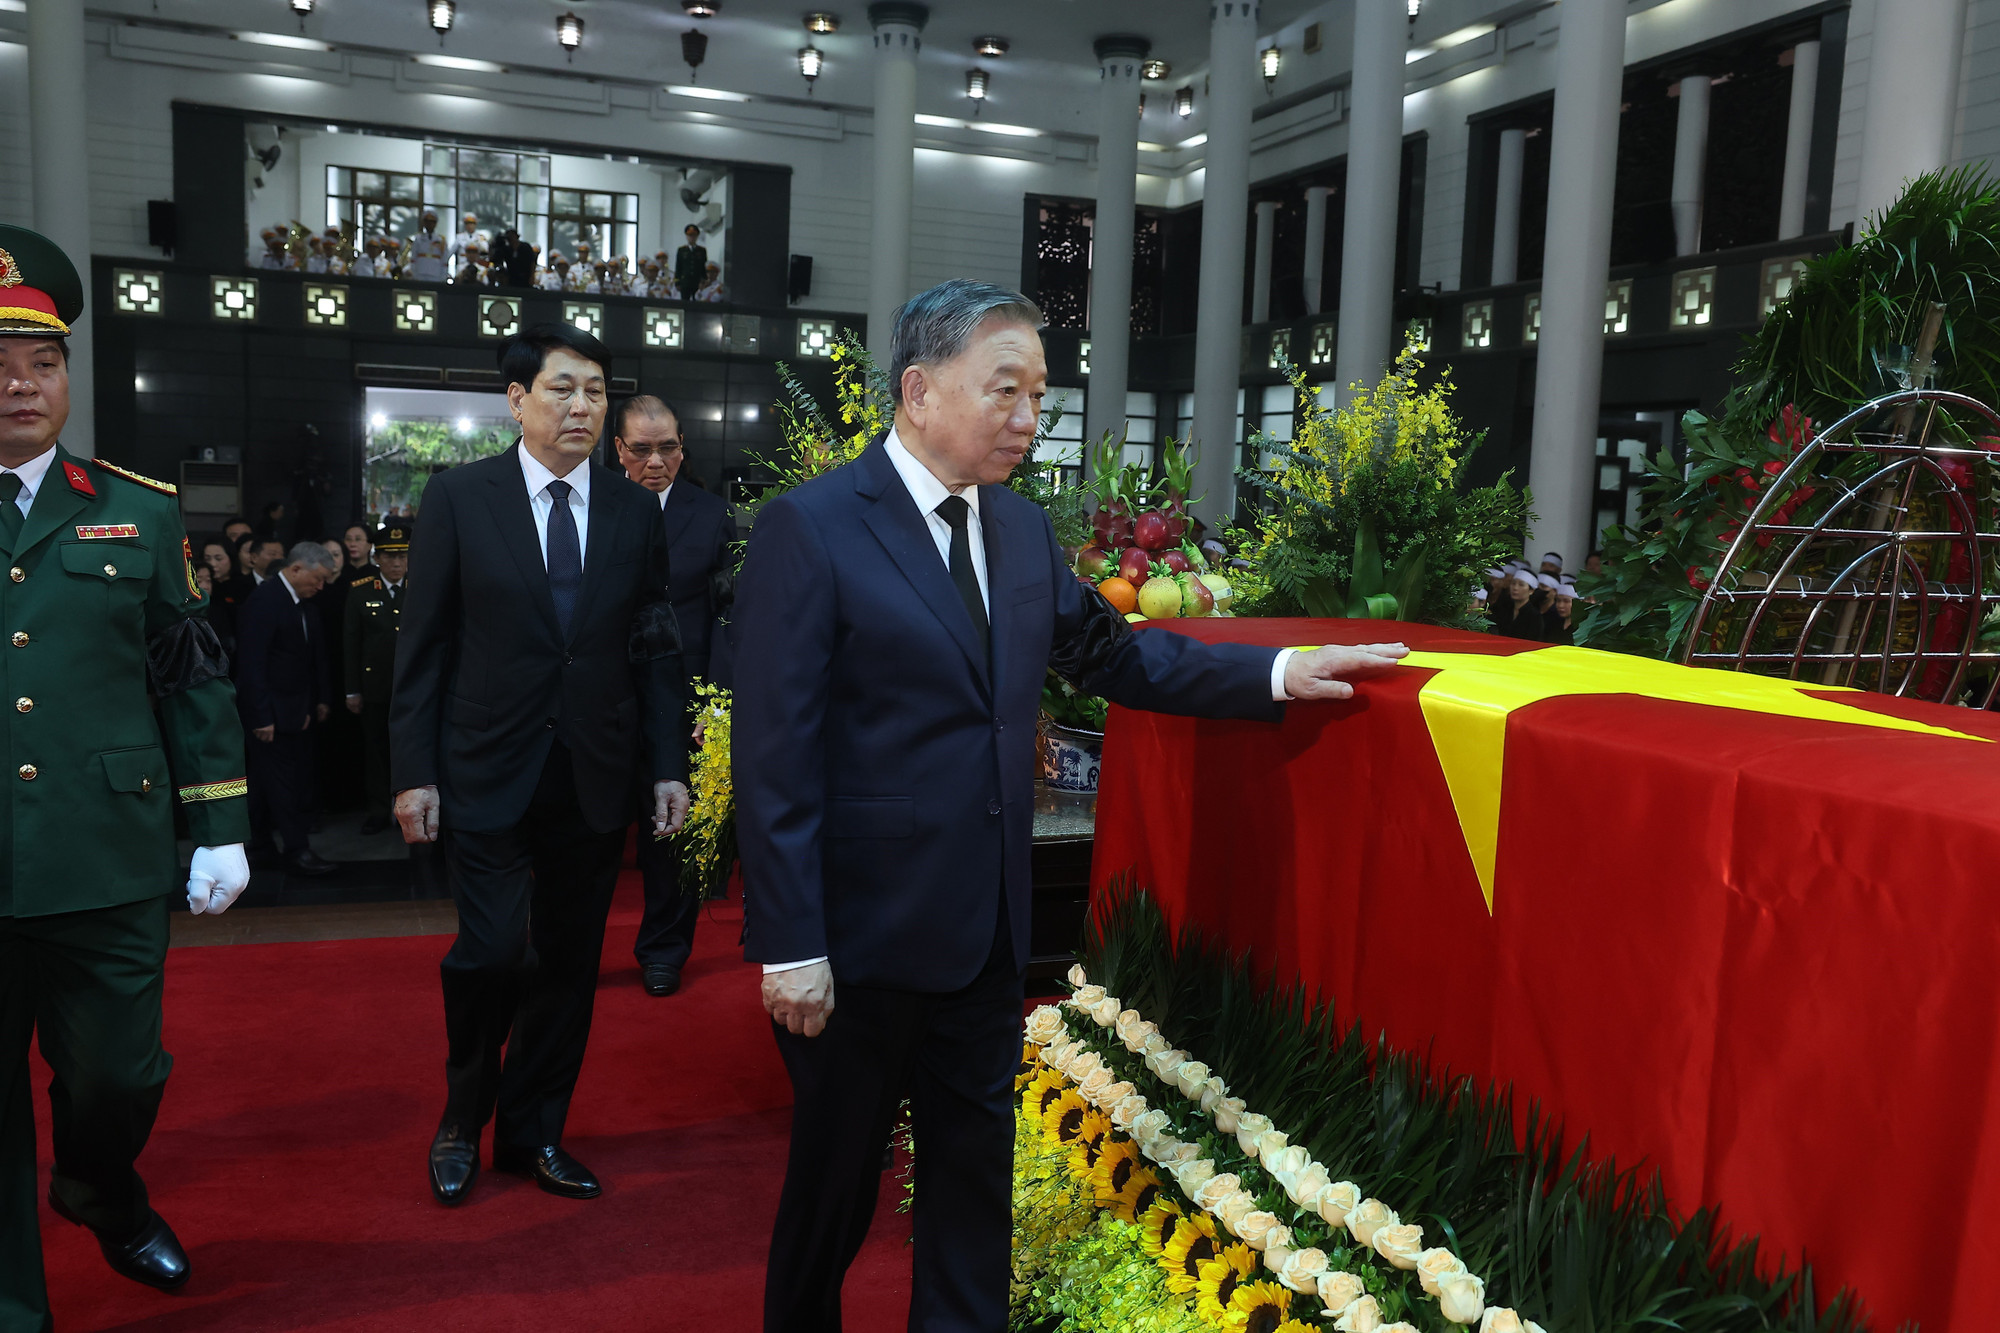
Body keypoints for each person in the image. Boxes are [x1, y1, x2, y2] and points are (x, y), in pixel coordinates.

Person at [733, 280, 1408, 1331]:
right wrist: (790, 942)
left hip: (985, 928)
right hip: (857, 940)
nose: (1028, 417)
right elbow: (774, 751)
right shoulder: (811, 528)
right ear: (919, 391)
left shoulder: (1016, 526)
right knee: (834, 1188)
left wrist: (1278, 671)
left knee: (971, 1193)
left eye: (1039, 394)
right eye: (1004, 390)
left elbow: (1113, 655)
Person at [0, 223, 252, 1324]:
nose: (20, 385)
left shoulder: (137, 510)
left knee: (120, 1075)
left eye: (42, 362)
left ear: (68, 376)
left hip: (106, 853)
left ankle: (98, 1185)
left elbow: (191, 676)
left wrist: (221, 822)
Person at [390, 322, 692, 1208]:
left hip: (592, 770)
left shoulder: (633, 509)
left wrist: (667, 764)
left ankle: (534, 1133)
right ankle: (462, 1116)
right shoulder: (460, 496)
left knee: (567, 964)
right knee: (490, 953)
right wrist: (413, 770)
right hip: (485, 764)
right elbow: (424, 644)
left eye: (595, 391)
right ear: (517, 399)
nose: (581, 406)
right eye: (563, 388)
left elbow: (656, 645)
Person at [612, 396, 740, 998]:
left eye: (667, 448)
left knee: (673, 830)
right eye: (642, 450)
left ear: (683, 449)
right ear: (619, 451)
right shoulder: (592, 507)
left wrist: (718, 702)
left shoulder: (712, 516)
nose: (656, 462)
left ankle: (665, 949)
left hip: (686, 698)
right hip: (606, 694)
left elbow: (728, 613)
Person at [235, 542, 339, 877]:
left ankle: (258, 845)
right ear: (296, 569)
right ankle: (297, 849)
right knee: (283, 784)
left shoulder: (297, 602)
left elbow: (301, 661)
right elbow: (252, 664)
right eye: (318, 578)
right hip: (269, 715)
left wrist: (308, 704)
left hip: (292, 710)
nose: (321, 586)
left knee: (265, 782)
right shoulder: (266, 601)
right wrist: (261, 716)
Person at [344, 522, 410, 834]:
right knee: (376, 752)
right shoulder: (361, 590)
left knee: (409, 751)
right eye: (389, 556)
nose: (396, 563)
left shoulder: (421, 587)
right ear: (377, 558)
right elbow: (351, 643)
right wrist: (352, 690)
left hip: (411, 688)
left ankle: (407, 810)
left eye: (402, 556)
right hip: (375, 687)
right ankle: (378, 810)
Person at [405, 210, 448, 283]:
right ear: (424, 223)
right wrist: (414, 272)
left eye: (432, 222)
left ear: (435, 224)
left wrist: (444, 274)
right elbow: (413, 257)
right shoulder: (418, 238)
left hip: (436, 272)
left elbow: (444, 258)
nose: (429, 224)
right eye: (427, 221)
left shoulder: (441, 240)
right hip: (420, 272)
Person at [673, 224, 706, 301]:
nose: (692, 237)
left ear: (697, 236)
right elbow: (678, 266)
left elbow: (703, 267)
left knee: (697, 301)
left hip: (697, 281)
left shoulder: (701, 250)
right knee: (684, 302)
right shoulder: (681, 250)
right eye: (690, 235)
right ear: (686, 236)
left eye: (694, 235)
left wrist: (703, 280)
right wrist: (677, 282)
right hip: (685, 282)